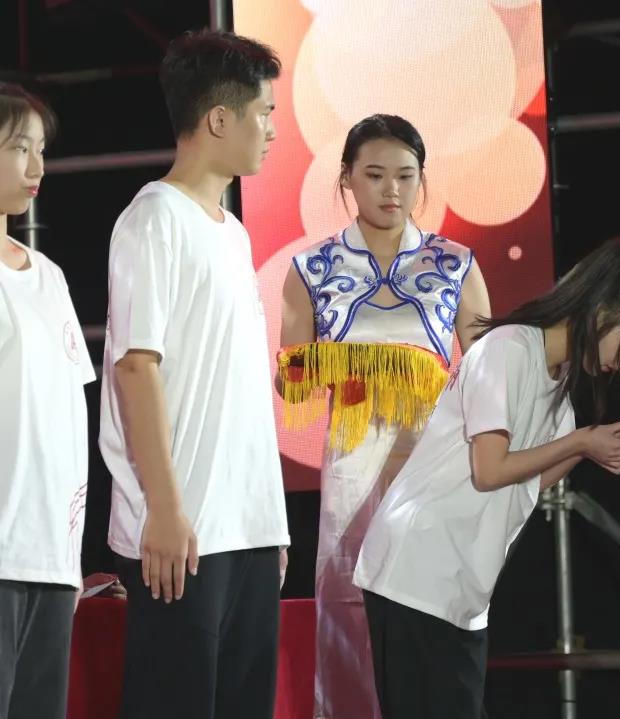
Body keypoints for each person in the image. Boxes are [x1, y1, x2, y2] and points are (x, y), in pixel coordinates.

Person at [354, 236, 620, 719]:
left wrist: (597, 445)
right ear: (600, 308)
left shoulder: (561, 393)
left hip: (461, 586)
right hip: (417, 569)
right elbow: (491, 470)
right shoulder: (507, 349)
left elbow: (529, 483)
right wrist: (581, 442)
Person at [98, 30, 291, 719]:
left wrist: (269, 520)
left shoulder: (232, 232)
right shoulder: (154, 219)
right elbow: (136, 366)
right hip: (182, 532)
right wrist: (164, 507)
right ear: (218, 119)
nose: (272, 129)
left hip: (246, 529)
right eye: (264, 113)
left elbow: (238, 390)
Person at [277, 113, 491, 718]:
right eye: (374, 175)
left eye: (405, 175)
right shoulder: (312, 268)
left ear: (422, 179)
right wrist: (371, 364)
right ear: (346, 178)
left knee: (437, 608)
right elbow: (290, 379)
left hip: (436, 463)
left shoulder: (455, 262)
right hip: (354, 464)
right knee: (350, 604)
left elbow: (489, 373)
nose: (391, 190)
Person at [0, 83, 94, 719]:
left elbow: (67, 410)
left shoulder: (50, 276)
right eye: (18, 148)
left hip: (51, 557)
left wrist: (70, 552)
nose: (37, 166)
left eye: (41, 149)